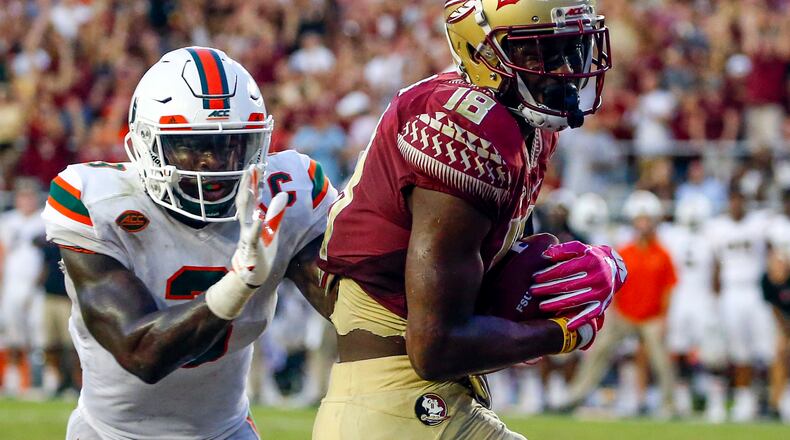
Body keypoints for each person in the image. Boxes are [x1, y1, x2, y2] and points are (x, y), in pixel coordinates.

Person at [314, 1, 624, 438]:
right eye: (538, 52)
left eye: (571, 47)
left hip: (417, 401)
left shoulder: (523, 122)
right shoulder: (466, 124)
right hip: (397, 403)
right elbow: (436, 346)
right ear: (482, 54)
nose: (565, 67)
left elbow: (488, 274)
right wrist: (564, 333)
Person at [42, 47, 337, 440]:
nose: (213, 163)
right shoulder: (97, 199)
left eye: (232, 144)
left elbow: (351, 308)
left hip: (226, 430)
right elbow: (141, 352)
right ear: (147, 142)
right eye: (192, 145)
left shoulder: (283, 195)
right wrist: (240, 283)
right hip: (110, 433)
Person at [561, 190, 676, 417]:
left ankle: (669, 404)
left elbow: (668, 289)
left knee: (661, 360)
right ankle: (575, 396)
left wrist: (664, 317)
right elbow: (613, 284)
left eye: (646, 219)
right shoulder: (625, 250)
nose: (643, 224)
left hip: (651, 316)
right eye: (639, 219)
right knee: (598, 351)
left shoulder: (662, 253)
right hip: (624, 314)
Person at [708, 189, 775, 422]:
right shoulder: (717, 228)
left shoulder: (758, 224)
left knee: (766, 349)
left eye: (739, 199)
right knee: (738, 351)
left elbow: (772, 253)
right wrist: (714, 300)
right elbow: (715, 266)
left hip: (755, 291)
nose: (736, 204)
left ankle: (768, 398)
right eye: (732, 199)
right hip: (731, 292)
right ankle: (743, 398)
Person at [662, 194, 727, 421]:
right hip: (680, 296)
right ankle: (682, 398)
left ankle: (716, 400)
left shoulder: (713, 235)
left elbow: (719, 271)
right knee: (678, 349)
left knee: (711, 352)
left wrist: (716, 300)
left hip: (703, 297)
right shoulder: (672, 235)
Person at [0, 178, 46, 396]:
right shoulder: (7, 221)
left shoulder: (44, 220)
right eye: (23, 196)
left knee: (39, 335)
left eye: (30, 196)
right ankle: (13, 378)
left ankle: (41, 380)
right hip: (12, 284)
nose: (27, 200)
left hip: (37, 287)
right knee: (13, 333)